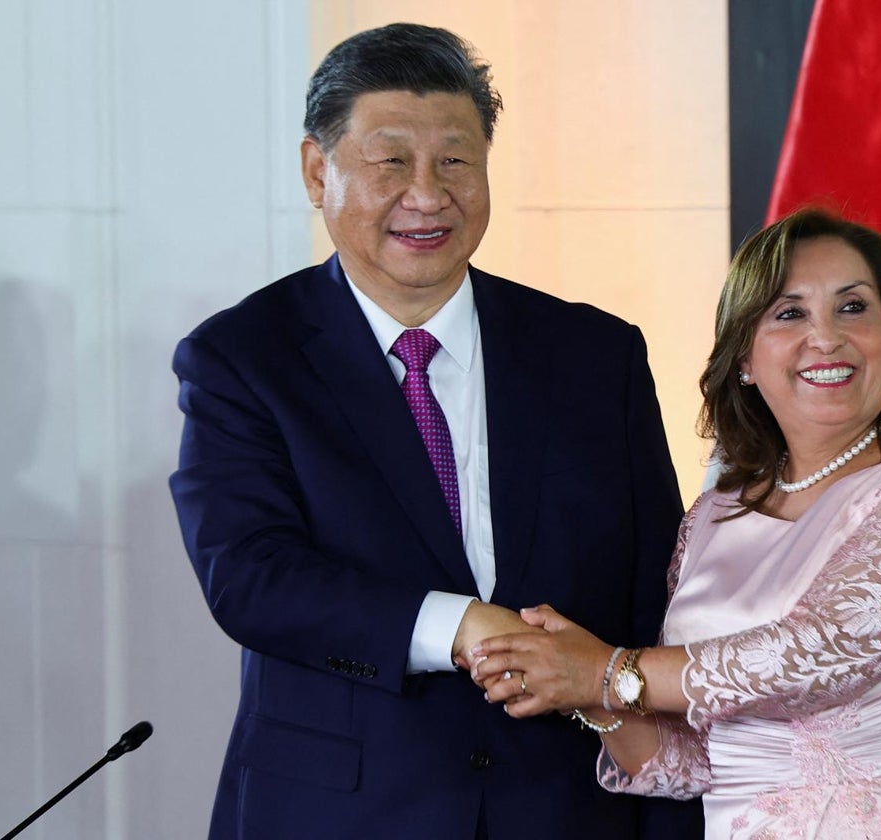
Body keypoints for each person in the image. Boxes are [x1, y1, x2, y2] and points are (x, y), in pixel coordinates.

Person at [168, 21, 702, 840]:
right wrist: (456, 626)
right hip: (340, 812)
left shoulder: (596, 354)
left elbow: (656, 600)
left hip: (569, 808)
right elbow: (251, 577)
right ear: (318, 170)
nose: (427, 194)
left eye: (455, 160)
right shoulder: (245, 359)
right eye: (390, 162)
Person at [468, 208, 881, 838]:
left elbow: (816, 657)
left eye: (853, 308)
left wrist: (604, 670)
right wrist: (578, 687)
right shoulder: (715, 516)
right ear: (743, 356)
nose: (826, 338)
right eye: (790, 313)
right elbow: (694, 764)